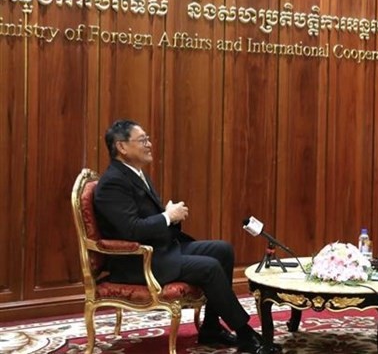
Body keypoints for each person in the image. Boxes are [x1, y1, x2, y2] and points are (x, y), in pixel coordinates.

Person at [93, 119, 279, 354]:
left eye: (148, 139)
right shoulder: (113, 182)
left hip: (161, 249)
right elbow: (131, 229)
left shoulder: (135, 173)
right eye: (143, 140)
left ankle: (211, 328)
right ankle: (245, 333)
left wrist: (170, 217)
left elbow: (144, 221)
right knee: (209, 267)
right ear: (121, 147)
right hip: (138, 262)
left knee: (222, 249)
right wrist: (168, 217)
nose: (149, 144)